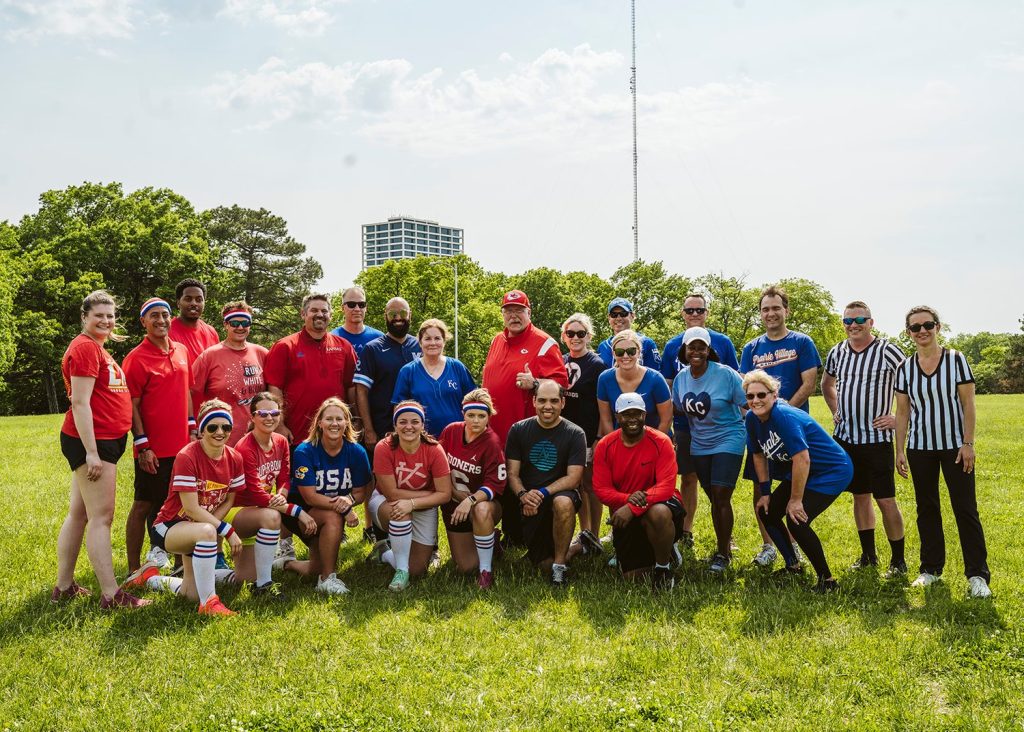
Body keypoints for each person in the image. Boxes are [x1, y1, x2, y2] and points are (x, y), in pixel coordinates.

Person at [53, 291, 150, 609]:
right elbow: (80, 403)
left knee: (80, 514)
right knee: (101, 517)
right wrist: (92, 452)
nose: (106, 321)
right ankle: (111, 594)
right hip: (93, 442)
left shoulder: (96, 348)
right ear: (84, 317)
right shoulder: (84, 348)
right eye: (99, 315)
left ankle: (63, 587)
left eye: (110, 315)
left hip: (101, 441)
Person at [895, 306, 991, 598]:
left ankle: (977, 576)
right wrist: (899, 451)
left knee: (965, 509)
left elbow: (968, 404)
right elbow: (902, 413)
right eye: (915, 327)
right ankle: (931, 569)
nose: (922, 331)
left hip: (955, 448)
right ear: (909, 332)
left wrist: (968, 443)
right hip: (920, 448)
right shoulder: (904, 368)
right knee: (926, 509)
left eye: (927, 324)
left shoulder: (956, 360)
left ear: (937, 327)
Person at [744, 370, 853, 593]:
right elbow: (758, 455)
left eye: (761, 395)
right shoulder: (752, 419)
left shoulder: (783, 416)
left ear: (774, 395)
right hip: (805, 470)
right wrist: (765, 492)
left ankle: (828, 581)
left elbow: (802, 458)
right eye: (750, 396)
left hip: (831, 470)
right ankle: (793, 566)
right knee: (767, 511)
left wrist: (795, 500)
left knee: (796, 519)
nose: (755, 400)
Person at [821, 301, 907, 576]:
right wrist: (836, 411)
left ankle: (898, 561)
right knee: (860, 497)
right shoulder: (837, 352)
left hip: (877, 439)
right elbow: (826, 384)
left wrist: (897, 418)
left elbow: (912, 385)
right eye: (848, 321)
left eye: (860, 320)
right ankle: (869, 556)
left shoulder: (888, 350)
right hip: (847, 439)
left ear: (871, 322)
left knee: (885, 499)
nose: (854, 325)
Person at [740, 285, 821, 568]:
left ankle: (794, 546)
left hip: (791, 429)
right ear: (760, 314)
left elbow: (809, 383)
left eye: (776, 308)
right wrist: (763, 417)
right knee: (761, 486)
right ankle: (768, 545)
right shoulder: (751, 348)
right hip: (762, 432)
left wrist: (781, 414)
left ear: (786, 310)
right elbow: (746, 387)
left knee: (791, 488)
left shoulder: (802, 342)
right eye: (765, 309)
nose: (771, 313)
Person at [139, 400, 245, 616]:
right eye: (212, 427)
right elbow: (191, 509)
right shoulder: (187, 456)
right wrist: (225, 530)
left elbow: (228, 500)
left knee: (190, 593)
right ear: (201, 430)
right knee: (207, 532)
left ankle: (149, 578)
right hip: (169, 527)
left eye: (226, 427)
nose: (220, 432)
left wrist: (211, 525)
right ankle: (209, 604)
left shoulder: (234, 458)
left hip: (198, 528)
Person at [481, 290, 568, 545]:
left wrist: (535, 383)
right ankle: (509, 534)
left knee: (524, 479)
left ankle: (530, 538)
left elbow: (561, 384)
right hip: (497, 428)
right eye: (508, 311)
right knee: (504, 479)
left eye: (519, 310)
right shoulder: (497, 340)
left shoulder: (544, 342)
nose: (514, 316)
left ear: (529, 313)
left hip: (528, 430)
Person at [122, 296, 193, 576]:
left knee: (182, 504)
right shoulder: (135, 358)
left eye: (165, 315)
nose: (161, 320)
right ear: (143, 321)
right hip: (153, 449)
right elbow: (131, 405)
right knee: (144, 504)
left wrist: (192, 427)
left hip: (182, 447)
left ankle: (180, 566)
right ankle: (133, 569)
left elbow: (187, 391)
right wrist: (143, 446)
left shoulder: (181, 350)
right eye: (154, 316)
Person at [661, 293, 739, 548]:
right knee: (695, 481)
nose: (694, 314)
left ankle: (725, 542)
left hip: (724, 432)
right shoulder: (675, 356)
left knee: (720, 489)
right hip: (692, 432)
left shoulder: (723, 350)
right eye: (689, 310)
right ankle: (688, 531)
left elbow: (742, 393)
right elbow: (671, 395)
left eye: (699, 310)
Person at [275, 398, 371, 595]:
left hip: (327, 510)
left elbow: (360, 492)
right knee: (334, 516)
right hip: (302, 513)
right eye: (329, 419)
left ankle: (286, 564)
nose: (334, 423)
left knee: (316, 567)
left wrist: (349, 500)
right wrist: (345, 509)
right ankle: (327, 579)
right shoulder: (305, 451)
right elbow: (310, 497)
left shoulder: (356, 451)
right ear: (319, 423)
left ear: (346, 423)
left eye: (339, 419)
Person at [671, 327, 747, 573]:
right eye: (691, 347)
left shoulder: (726, 374)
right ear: (684, 350)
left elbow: (749, 402)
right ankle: (723, 544)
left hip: (729, 438)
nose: (696, 352)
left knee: (721, 494)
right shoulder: (681, 378)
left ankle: (723, 554)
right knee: (713, 496)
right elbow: (676, 407)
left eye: (701, 347)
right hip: (700, 443)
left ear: (709, 350)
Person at [592, 392, 684, 591]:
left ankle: (663, 568)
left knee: (658, 513)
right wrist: (627, 499)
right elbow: (601, 489)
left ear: (645, 415)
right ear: (617, 417)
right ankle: (664, 551)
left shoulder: (661, 441)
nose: (632, 419)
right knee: (633, 578)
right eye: (626, 414)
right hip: (625, 511)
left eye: (637, 414)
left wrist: (632, 507)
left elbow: (666, 486)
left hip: (661, 503)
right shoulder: (605, 445)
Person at [229, 392, 318, 592]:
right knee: (272, 516)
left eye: (274, 413)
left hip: (261, 510)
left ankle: (198, 577)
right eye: (263, 413)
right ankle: (265, 585)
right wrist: (298, 512)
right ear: (252, 417)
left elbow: (285, 478)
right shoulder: (244, 448)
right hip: (237, 512)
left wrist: (282, 496)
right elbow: (255, 494)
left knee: (243, 579)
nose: (269, 418)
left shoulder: (280, 441)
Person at [505, 380, 587, 587]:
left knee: (562, 502)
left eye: (553, 401)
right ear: (534, 401)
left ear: (563, 403)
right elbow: (512, 474)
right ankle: (578, 547)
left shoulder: (575, 433)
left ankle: (559, 567)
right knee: (542, 564)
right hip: (529, 500)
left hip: (559, 495)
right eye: (542, 400)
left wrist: (542, 492)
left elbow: (574, 478)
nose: (547, 406)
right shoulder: (518, 430)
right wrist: (523, 495)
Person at [354, 297, 421, 542]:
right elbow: (361, 391)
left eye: (402, 313)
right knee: (381, 482)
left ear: (410, 314)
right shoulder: (373, 348)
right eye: (393, 314)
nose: (398, 318)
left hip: (416, 429)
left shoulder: (420, 344)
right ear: (385, 316)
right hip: (382, 426)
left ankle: (418, 536)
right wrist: (368, 429)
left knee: (415, 478)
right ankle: (381, 538)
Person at [369, 401, 454, 591]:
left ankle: (384, 553)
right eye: (403, 422)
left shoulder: (434, 449)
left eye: (415, 421)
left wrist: (414, 502)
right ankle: (401, 572)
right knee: (401, 511)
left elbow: (445, 495)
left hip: (423, 506)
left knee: (417, 569)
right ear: (395, 425)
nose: (409, 426)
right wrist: (429, 495)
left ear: (423, 425)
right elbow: (391, 493)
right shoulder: (384, 447)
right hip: (385, 501)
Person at [264, 293, 357, 444]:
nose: (320, 314)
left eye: (324, 311)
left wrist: (356, 419)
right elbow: (274, 389)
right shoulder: (284, 346)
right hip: (297, 434)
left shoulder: (344, 346)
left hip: (336, 434)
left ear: (331, 315)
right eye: (314, 310)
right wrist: (279, 425)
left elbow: (351, 387)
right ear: (303, 314)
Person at [438, 390, 506, 589]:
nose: (476, 421)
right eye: (471, 415)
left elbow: (495, 484)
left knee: (481, 510)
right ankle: (491, 541)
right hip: (453, 506)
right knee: (466, 567)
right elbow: (438, 467)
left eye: (481, 416)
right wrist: (453, 493)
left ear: (489, 417)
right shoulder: (450, 431)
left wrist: (470, 500)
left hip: (481, 505)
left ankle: (486, 571)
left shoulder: (492, 442)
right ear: (463, 414)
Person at [561, 313, 609, 556]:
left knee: (591, 486)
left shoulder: (597, 364)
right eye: (570, 333)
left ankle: (594, 535)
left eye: (581, 333)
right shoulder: (560, 361)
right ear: (564, 337)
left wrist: (599, 437)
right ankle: (583, 532)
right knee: (577, 485)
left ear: (589, 336)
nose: (575, 338)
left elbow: (603, 405)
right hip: (566, 435)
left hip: (589, 433)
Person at [190, 301, 268, 447]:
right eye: (234, 323)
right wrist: (193, 427)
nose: (240, 327)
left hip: (257, 439)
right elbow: (190, 393)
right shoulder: (209, 356)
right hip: (221, 439)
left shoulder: (262, 353)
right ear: (226, 324)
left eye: (245, 323)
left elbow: (273, 392)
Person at [392, 318, 476, 437]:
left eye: (437, 338)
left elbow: (473, 400)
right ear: (420, 342)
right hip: (421, 439)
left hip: (457, 437)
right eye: (427, 339)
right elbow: (399, 408)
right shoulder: (408, 371)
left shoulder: (457, 367)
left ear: (444, 341)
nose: (432, 343)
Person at [597, 330, 672, 437]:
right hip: (621, 440)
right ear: (613, 354)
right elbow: (606, 419)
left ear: (639, 352)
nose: (625, 356)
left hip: (654, 439)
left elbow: (666, 419)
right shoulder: (605, 379)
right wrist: (615, 444)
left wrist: (654, 444)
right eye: (619, 352)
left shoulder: (655, 379)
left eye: (631, 351)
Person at [596, 297, 661, 371]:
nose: (618, 318)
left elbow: (655, 374)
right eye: (614, 314)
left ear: (632, 316)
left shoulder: (646, 343)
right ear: (609, 318)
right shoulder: (603, 347)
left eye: (623, 314)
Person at [169, 278, 220, 367]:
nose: (194, 303)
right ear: (178, 303)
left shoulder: (211, 332)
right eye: (188, 299)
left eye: (199, 300)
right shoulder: (166, 332)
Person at [330, 285, 384, 363]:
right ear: (342, 308)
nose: (357, 309)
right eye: (351, 304)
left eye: (361, 305)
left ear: (366, 308)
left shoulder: (379, 338)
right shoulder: (332, 339)